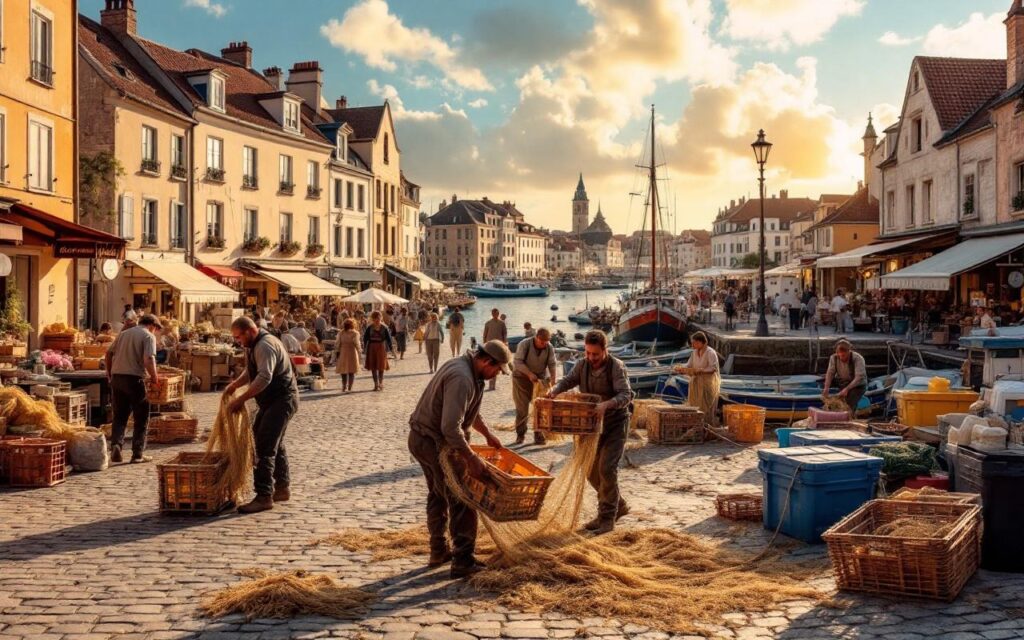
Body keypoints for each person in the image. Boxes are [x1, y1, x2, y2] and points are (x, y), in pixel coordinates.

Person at [407, 340, 511, 578]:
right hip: (431, 442)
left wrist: (488, 435)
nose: (497, 374)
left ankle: (438, 551)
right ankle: (463, 560)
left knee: (437, 493)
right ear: (486, 361)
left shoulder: (468, 370)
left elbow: (469, 412)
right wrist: (471, 458)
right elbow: (450, 428)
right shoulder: (462, 378)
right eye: (497, 369)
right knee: (462, 498)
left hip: (421, 438)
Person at [547, 330, 633, 535]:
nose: (591, 358)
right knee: (590, 471)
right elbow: (568, 380)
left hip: (615, 424)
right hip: (591, 426)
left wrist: (607, 404)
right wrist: (555, 390)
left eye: (595, 354)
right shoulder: (582, 365)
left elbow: (626, 394)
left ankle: (607, 518)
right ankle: (617, 504)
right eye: (588, 353)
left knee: (607, 468)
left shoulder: (616, 367)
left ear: (605, 350)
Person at [225, 317, 299, 513]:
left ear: (249, 331)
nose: (238, 341)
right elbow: (252, 372)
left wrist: (240, 400)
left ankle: (264, 496)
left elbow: (264, 377)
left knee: (262, 446)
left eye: (239, 337)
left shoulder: (265, 346)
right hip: (272, 400)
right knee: (275, 442)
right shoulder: (254, 345)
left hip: (281, 400)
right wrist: (234, 386)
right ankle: (282, 488)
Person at [104, 314, 162, 464]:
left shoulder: (123, 334)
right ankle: (137, 454)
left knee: (119, 416)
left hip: (117, 378)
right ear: (152, 326)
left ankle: (116, 445)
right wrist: (155, 378)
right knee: (141, 417)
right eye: (155, 329)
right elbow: (149, 359)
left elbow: (109, 353)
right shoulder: (148, 336)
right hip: (134, 378)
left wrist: (109, 374)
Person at [512, 327, 558, 445]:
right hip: (521, 379)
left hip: (540, 380)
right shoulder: (524, 344)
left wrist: (553, 379)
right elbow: (517, 362)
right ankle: (520, 434)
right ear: (536, 337)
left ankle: (539, 435)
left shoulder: (549, 347)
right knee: (522, 408)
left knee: (540, 408)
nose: (544, 344)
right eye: (542, 342)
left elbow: (552, 364)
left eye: (546, 342)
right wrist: (529, 374)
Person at [673, 331, 720, 426]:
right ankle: (696, 425)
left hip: (708, 383)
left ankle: (707, 426)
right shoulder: (694, 352)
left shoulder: (710, 352)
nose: (692, 344)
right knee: (695, 404)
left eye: (693, 342)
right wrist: (681, 368)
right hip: (696, 382)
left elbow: (713, 368)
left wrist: (701, 370)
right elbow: (689, 365)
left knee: (706, 406)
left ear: (700, 342)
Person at [822, 339, 867, 416]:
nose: (841, 357)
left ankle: (850, 415)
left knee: (849, 400)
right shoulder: (834, 358)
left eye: (843, 355)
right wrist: (826, 388)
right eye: (839, 355)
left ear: (848, 352)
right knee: (825, 380)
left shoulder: (857, 358)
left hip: (857, 384)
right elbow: (830, 373)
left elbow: (859, 377)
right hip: (843, 381)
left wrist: (846, 389)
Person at [363, 310, 394, 391]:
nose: (377, 320)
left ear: (381, 318)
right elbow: (365, 338)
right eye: (375, 318)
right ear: (373, 319)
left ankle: (380, 383)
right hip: (372, 347)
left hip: (381, 347)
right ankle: (376, 384)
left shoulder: (384, 328)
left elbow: (388, 339)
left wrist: (391, 349)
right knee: (373, 367)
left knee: (381, 367)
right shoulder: (369, 328)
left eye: (378, 318)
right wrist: (364, 348)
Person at [482, 308, 508, 391]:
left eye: (496, 313)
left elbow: (505, 334)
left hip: (499, 347)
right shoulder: (488, 323)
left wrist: (504, 344)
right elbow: (484, 335)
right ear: (492, 314)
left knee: (496, 365)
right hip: (490, 347)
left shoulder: (502, 323)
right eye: (494, 313)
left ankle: (493, 384)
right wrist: (485, 344)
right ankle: (491, 384)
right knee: (490, 365)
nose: (495, 315)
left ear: (498, 314)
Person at [334, 318, 362, 392]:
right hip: (352, 351)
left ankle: (344, 386)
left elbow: (337, 343)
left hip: (343, 351)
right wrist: (359, 351)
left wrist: (337, 351)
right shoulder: (355, 333)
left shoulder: (341, 333)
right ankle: (349, 387)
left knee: (344, 370)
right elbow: (357, 343)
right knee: (351, 370)